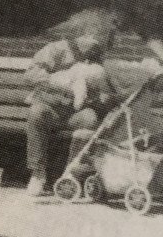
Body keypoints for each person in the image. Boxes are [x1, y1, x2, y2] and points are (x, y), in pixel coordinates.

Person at [24, 33, 115, 196]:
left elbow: (106, 94)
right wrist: (63, 83)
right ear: (81, 36)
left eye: (100, 44)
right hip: (49, 108)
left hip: (76, 113)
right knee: (36, 113)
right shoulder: (56, 49)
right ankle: (37, 174)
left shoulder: (98, 60)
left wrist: (98, 98)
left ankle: (72, 174)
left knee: (90, 119)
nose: (95, 47)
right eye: (91, 38)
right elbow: (30, 75)